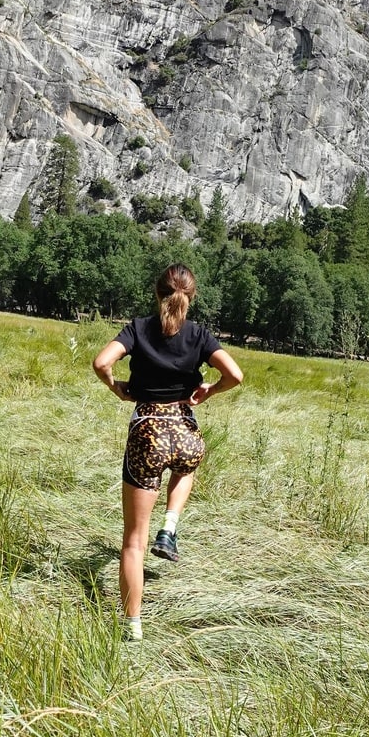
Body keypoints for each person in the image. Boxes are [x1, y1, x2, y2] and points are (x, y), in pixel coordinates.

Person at [92, 263, 243, 641]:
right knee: (186, 466)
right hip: (185, 431)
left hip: (148, 433)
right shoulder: (200, 335)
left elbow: (101, 362)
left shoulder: (139, 329)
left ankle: (132, 626)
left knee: (132, 541)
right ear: (190, 298)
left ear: (157, 293)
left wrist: (117, 387)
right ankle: (170, 527)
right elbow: (236, 376)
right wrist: (209, 390)